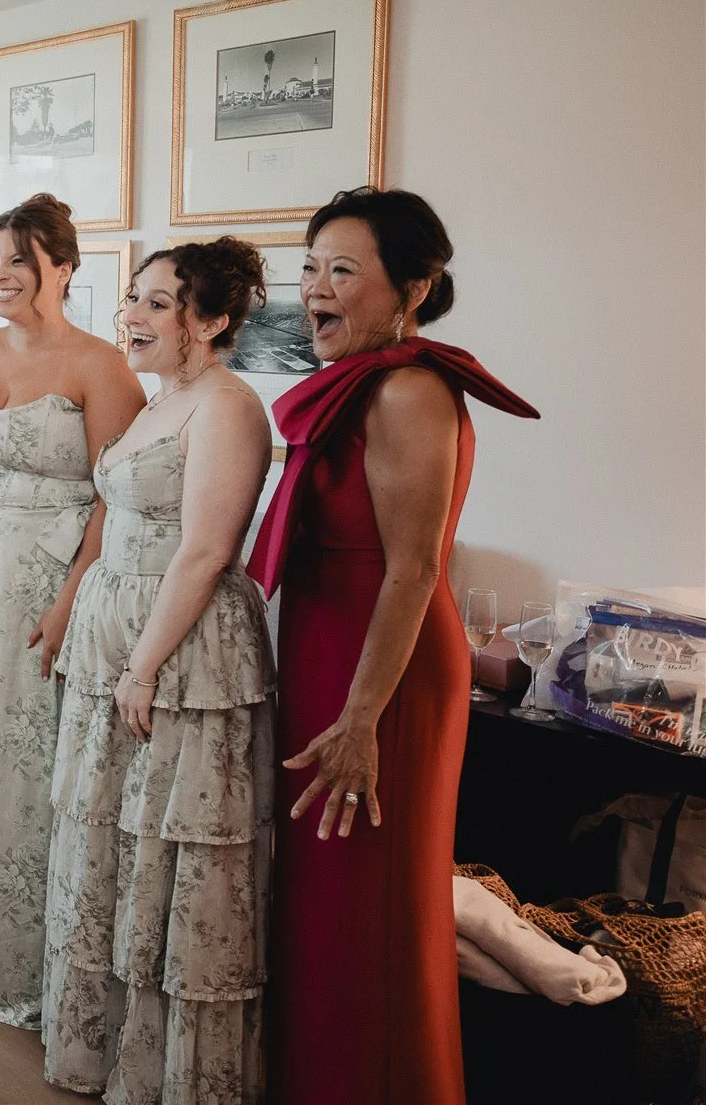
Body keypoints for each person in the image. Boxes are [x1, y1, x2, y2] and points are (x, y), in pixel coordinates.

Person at [247, 188, 536, 1105]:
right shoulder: (360, 383)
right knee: (323, 905)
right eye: (308, 268)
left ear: (411, 288)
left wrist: (361, 718)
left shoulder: (411, 389)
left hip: (386, 678)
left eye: (342, 270)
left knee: (373, 911)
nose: (314, 289)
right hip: (327, 652)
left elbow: (414, 571)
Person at [41, 239, 277, 1103]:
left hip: (182, 652)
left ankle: (174, 1075)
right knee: (116, 837)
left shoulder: (228, 406)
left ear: (210, 320)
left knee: (171, 851)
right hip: (120, 632)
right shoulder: (160, 400)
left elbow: (209, 548)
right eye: (132, 298)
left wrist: (141, 668)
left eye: (155, 303)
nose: (130, 316)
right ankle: (111, 1051)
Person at [0, 193, 143, 1027]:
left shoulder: (101, 367)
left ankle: (27, 964)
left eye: (19, 259)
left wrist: (72, 598)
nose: (0, 275)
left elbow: (117, 500)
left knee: (32, 760)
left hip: (51, 588)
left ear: (64, 268)